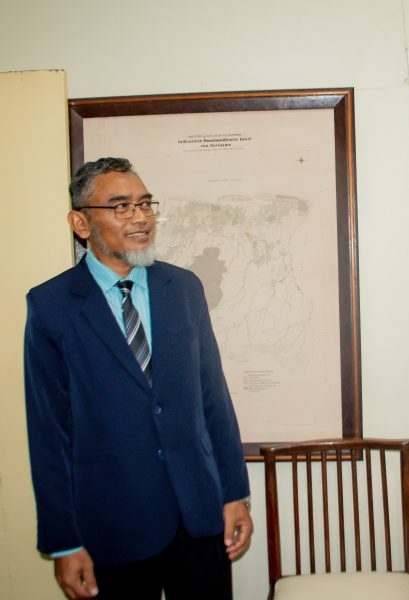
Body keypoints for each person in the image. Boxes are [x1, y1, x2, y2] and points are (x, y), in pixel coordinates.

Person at [24, 157, 252, 600]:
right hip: (112, 524)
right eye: (121, 206)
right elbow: (49, 431)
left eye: (145, 204)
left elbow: (213, 399)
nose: (141, 217)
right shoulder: (52, 305)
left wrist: (234, 493)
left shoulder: (184, 289)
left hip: (199, 517)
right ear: (81, 223)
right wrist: (64, 541)